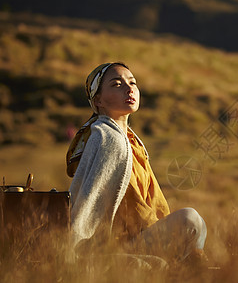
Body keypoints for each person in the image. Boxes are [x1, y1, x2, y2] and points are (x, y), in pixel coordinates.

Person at [66, 62, 207, 265]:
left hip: (141, 236)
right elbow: (90, 202)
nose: (129, 88)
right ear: (98, 101)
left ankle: (190, 267)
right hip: (116, 244)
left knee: (196, 222)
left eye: (132, 82)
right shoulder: (106, 138)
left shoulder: (131, 141)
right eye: (116, 84)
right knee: (190, 219)